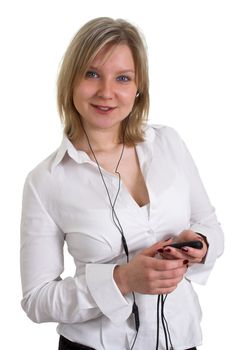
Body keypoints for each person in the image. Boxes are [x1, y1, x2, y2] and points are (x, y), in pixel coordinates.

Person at [20, 17, 224, 350]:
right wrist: (122, 279)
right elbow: (37, 299)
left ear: (138, 86)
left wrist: (199, 245)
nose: (106, 92)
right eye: (91, 74)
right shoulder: (45, 181)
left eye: (123, 78)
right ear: (70, 81)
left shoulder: (169, 143)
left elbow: (210, 227)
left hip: (182, 341)